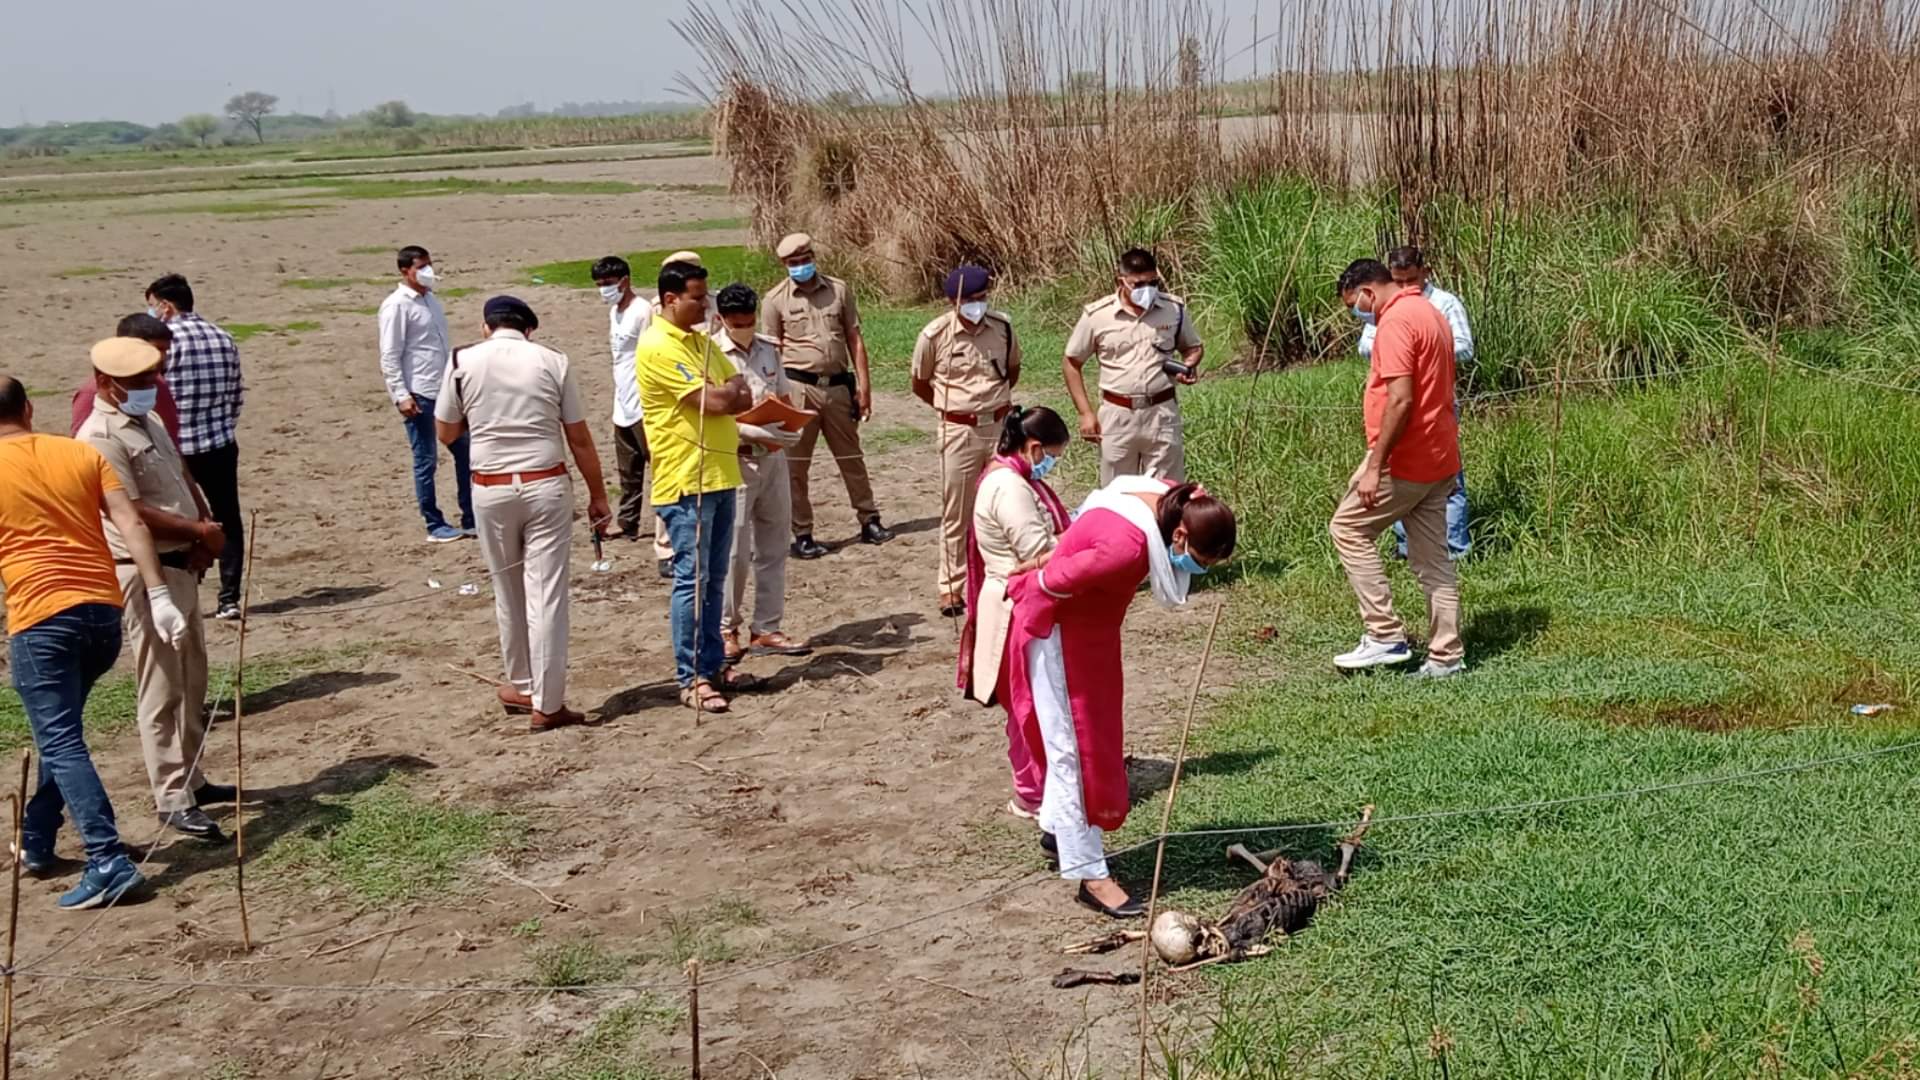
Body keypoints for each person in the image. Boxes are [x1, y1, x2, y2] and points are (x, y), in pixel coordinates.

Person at [1003, 477, 1236, 917]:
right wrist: (1034, 570)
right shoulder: (1126, 549)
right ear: (1180, 535)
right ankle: (1090, 873)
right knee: (1076, 748)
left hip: (1091, 636)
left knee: (1093, 736)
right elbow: (1050, 580)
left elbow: (1072, 547)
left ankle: (1058, 829)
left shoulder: (1167, 497)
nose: (1196, 570)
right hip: (1060, 638)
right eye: (1198, 560)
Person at [0, 370, 189, 909]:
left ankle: (107, 858)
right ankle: (37, 835)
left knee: (60, 741)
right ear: (29, 409)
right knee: (61, 736)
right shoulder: (79, 454)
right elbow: (130, 524)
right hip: (101, 613)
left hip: (41, 617)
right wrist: (159, 596)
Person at [76, 337, 235, 843]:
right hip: (145, 572)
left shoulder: (152, 421)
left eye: (154, 378)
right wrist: (196, 534)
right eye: (141, 382)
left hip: (183, 562)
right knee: (161, 686)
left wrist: (205, 525)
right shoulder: (99, 436)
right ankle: (171, 795)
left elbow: (181, 477)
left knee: (192, 677)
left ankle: (192, 776)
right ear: (106, 384)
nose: (152, 388)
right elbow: (128, 510)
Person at [434, 297, 609, 730]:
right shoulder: (553, 360)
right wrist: (598, 495)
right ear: (529, 329)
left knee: (507, 590)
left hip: (490, 487)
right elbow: (580, 438)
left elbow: (446, 430)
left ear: (486, 327)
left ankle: (523, 683)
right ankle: (546, 701)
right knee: (546, 594)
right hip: (545, 480)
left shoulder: (462, 361)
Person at [1331, 259, 1465, 678]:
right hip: (1439, 456)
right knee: (1433, 560)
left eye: (1356, 305)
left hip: (1406, 461)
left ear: (1368, 292)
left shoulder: (1393, 324)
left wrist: (1376, 464)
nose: (1358, 313)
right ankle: (1447, 655)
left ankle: (1384, 634)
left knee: (1348, 528)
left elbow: (1402, 399)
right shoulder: (1431, 310)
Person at [637, 261, 753, 713]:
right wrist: (727, 394)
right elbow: (719, 399)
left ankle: (713, 664)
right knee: (693, 581)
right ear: (670, 299)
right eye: (696, 297)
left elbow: (739, 386)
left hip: (721, 473)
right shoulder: (658, 345)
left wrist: (729, 394)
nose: (705, 304)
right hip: (687, 479)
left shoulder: (701, 341)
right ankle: (691, 678)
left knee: (715, 579)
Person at [958, 405, 1071, 822]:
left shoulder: (1010, 478)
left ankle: (1035, 787)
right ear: (1035, 447)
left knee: (1029, 704)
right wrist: (1086, 537)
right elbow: (1038, 553)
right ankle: (1034, 792)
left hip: (1011, 599)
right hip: (1014, 606)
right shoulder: (1010, 488)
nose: (1052, 465)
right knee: (1030, 705)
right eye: (1053, 456)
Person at [760, 232, 893, 557]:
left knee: (851, 456)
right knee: (796, 465)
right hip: (797, 388)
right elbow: (770, 354)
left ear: (813, 257)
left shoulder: (839, 290)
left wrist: (864, 388)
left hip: (836, 388)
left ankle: (869, 519)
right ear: (784, 265)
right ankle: (802, 532)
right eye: (794, 263)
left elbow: (854, 338)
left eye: (805, 260)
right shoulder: (775, 300)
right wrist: (777, 401)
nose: (801, 267)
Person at [912, 265, 1019, 616]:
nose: (978, 305)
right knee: (957, 510)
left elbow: (1012, 369)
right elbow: (920, 382)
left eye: (982, 298)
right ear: (952, 301)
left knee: (1006, 503)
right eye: (970, 300)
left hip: (999, 425)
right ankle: (952, 587)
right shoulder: (935, 335)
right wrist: (953, 410)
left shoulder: (1002, 327)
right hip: (958, 430)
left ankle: (1003, 575)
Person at [713, 283, 811, 663]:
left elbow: (782, 396)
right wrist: (749, 429)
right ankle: (725, 628)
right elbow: (713, 410)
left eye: (750, 321)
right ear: (721, 320)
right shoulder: (711, 355)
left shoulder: (768, 348)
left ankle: (766, 628)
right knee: (734, 553)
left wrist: (791, 426)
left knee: (773, 545)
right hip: (734, 459)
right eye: (737, 323)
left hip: (772, 458)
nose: (745, 328)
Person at [1357, 245, 1473, 560]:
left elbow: (1463, 346)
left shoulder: (1443, 304)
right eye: (1399, 280)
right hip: (1397, 399)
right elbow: (1366, 343)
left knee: (1446, 479)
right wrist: (1397, 349)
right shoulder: (1387, 309)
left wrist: (1418, 347)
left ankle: (1453, 548)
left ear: (1426, 272)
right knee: (1400, 476)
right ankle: (1408, 547)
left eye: (1412, 280)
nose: (1407, 288)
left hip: (1434, 404)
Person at [145, 273, 245, 620]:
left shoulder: (165, 342)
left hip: (177, 448)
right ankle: (229, 597)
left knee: (178, 521)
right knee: (227, 517)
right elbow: (235, 395)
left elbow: (156, 393)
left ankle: (182, 590)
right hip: (219, 443)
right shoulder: (223, 336)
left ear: (167, 306)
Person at [1062, 248, 1204, 486]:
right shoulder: (1098, 315)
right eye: (1138, 284)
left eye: (1153, 282)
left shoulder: (1173, 309)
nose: (1146, 290)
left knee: (1166, 492)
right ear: (1122, 281)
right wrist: (1086, 413)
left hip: (1162, 413)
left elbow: (1193, 347)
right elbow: (1071, 363)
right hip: (1117, 415)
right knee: (1118, 492)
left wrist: (1189, 365)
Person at [379, 244, 474, 544]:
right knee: (425, 459)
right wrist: (400, 394)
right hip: (419, 393)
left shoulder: (431, 300)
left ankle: (471, 515)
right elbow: (390, 354)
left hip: (444, 389)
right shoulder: (397, 306)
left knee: (465, 452)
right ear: (405, 270)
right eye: (420, 266)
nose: (427, 271)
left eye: (429, 264)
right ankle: (433, 523)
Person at [591, 254, 676, 578]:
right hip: (622, 401)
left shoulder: (643, 312)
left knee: (660, 467)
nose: (604, 290)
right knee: (628, 470)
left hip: (645, 401)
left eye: (608, 284)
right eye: (599, 285)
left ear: (624, 281)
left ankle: (667, 528)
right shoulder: (615, 312)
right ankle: (627, 522)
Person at [70, 314, 181, 442]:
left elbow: (172, 434)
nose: (162, 357)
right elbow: (84, 449)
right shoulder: (92, 393)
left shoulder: (157, 383)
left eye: (165, 351)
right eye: (156, 349)